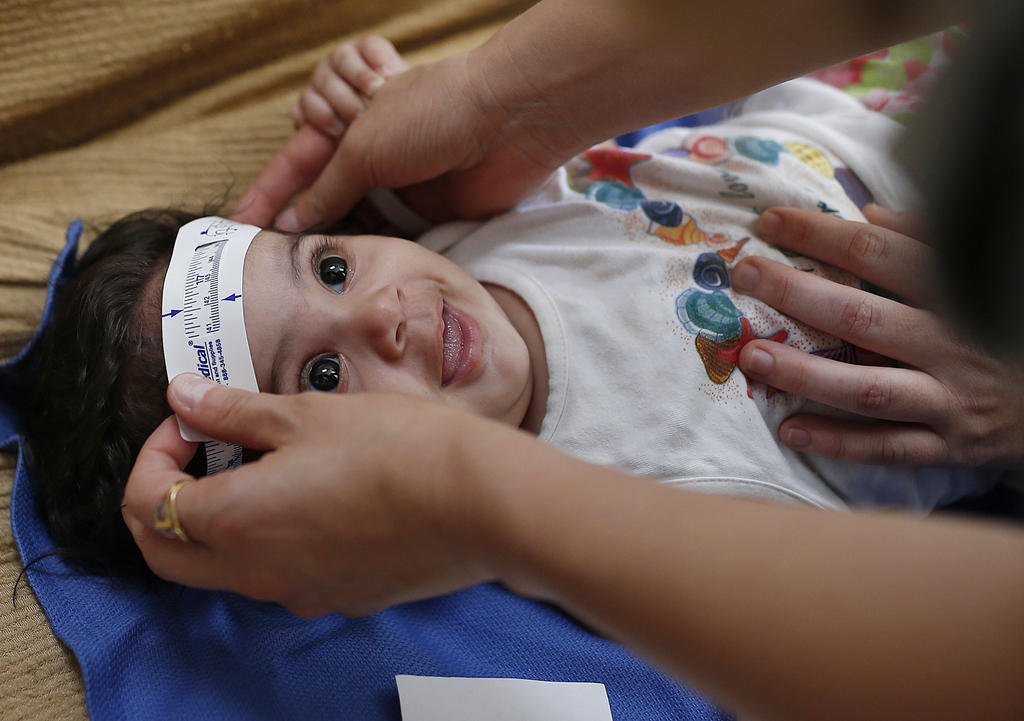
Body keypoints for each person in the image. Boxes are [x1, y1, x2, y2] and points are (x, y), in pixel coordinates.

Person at [121, 1, 1024, 720]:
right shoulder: (659, 504)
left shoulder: (455, 231)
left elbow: (408, 156)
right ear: (327, 486)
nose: (383, 313)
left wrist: (394, 89)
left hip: (884, 83)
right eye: (323, 376)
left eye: (330, 266)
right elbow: (868, 630)